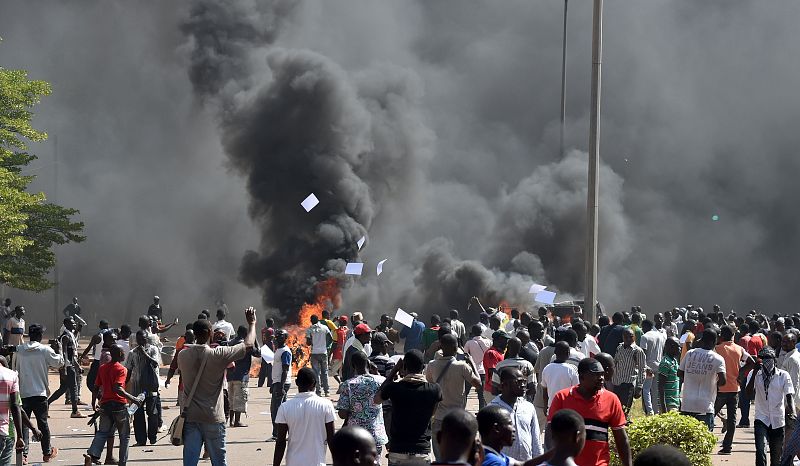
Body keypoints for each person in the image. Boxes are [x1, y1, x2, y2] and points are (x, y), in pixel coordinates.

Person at [177, 307, 256, 466]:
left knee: (189, 463)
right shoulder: (218, 354)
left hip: (191, 417)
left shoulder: (182, 355)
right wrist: (252, 323)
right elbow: (248, 345)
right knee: (219, 462)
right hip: (213, 418)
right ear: (209, 334)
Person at [548, 358, 631, 466]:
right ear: (581, 376)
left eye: (602, 374)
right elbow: (550, 434)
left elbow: (621, 439)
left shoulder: (611, 399)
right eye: (596, 375)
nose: (601, 378)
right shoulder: (562, 398)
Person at [374, 349, 442, 466]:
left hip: (398, 450)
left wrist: (394, 371)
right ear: (423, 367)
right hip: (422, 451)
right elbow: (432, 414)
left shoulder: (394, 388)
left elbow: (376, 399)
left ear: (404, 367)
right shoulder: (434, 389)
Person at [83, 345, 143, 466]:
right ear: (120, 354)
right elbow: (117, 388)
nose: (124, 354)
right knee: (124, 436)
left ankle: (92, 454)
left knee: (102, 432)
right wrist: (134, 399)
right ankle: (122, 462)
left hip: (105, 405)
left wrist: (94, 402)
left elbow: (96, 387)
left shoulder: (103, 368)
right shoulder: (121, 369)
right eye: (122, 352)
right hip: (119, 405)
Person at [425, 334, 481, 460]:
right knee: (458, 457)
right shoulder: (462, 366)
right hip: (458, 419)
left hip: (438, 418)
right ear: (456, 349)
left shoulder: (431, 365)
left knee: (440, 458)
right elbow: (478, 384)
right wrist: (471, 362)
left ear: (441, 347)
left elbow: (430, 386)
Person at [15, 323, 62, 463]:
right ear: (40, 336)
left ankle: (23, 456)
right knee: (43, 424)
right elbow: (59, 363)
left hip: (23, 392)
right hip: (40, 393)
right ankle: (47, 453)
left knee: (24, 425)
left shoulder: (19, 350)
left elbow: (14, 368)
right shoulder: (44, 350)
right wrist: (59, 349)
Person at [274, 367, 336, 466]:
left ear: (296, 382)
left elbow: (281, 441)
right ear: (315, 383)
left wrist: (275, 464)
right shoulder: (326, 405)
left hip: (293, 462)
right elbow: (331, 438)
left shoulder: (285, 407)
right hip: (317, 462)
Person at [747, 347, 795, 466]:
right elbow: (748, 394)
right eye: (762, 358)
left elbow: (789, 395)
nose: (765, 361)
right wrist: (754, 373)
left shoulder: (783, 375)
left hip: (778, 420)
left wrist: (792, 411)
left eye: (768, 358)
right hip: (761, 418)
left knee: (776, 457)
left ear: (774, 359)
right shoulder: (754, 374)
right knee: (761, 451)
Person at [337, 352, 387, 457]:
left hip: (355, 435)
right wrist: (376, 372)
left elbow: (342, 414)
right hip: (375, 434)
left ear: (352, 366)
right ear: (368, 364)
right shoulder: (380, 381)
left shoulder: (348, 384)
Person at [715, 324, 754, 454]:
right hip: (734, 389)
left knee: (710, 416)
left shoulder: (717, 349)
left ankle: (705, 442)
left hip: (719, 389)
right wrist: (741, 372)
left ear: (721, 336)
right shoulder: (739, 349)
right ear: (733, 336)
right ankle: (727, 447)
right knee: (732, 420)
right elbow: (752, 361)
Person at [489, 368, 543, 462]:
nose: (523, 385)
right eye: (518, 382)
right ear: (504, 385)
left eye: (524, 381)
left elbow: (536, 439)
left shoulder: (528, 407)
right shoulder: (492, 410)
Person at [678, 328, 726, 430]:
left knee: (686, 438)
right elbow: (723, 381)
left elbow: (679, 373)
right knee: (705, 439)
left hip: (687, 404)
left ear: (702, 340)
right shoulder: (718, 359)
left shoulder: (690, 353)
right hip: (705, 405)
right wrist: (711, 381)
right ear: (714, 341)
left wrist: (692, 376)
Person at [476, 405, 548, 466]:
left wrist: (555, 451)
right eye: (510, 424)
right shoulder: (495, 462)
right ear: (497, 429)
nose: (514, 429)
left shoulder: (489, 454)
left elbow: (522, 464)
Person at [125, 330, 162, 446]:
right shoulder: (132, 353)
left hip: (151, 386)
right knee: (138, 414)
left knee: (152, 413)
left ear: (147, 339)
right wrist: (124, 384)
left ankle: (152, 437)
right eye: (139, 340)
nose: (141, 342)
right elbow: (128, 369)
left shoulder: (153, 349)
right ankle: (141, 440)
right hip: (137, 387)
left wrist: (144, 354)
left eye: (143, 339)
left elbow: (155, 363)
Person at [48, 317, 86, 417]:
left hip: (71, 365)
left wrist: (77, 366)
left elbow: (73, 353)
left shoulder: (71, 335)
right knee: (73, 387)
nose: (74, 324)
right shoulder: (65, 336)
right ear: (66, 324)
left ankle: (46, 404)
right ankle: (74, 411)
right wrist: (64, 368)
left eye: (74, 323)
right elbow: (64, 353)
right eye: (72, 323)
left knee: (63, 388)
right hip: (67, 366)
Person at [227, 325, 259, 427]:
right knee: (240, 399)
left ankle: (231, 421)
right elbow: (258, 353)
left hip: (230, 375)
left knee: (231, 399)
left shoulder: (231, 342)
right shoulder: (246, 345)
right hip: (241, 376)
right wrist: (255, 339)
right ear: (246, 335)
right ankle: (237, 421)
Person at [612, 328, 646, 417]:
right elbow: (615, 362)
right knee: (616, 407)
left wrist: (639, 386)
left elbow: (642, 369)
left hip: (628, 383)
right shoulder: (619, 348)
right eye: (626, 337)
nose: (628, 339)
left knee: (625, 409)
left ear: (634, 337)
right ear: (623, 337)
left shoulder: (637, 351)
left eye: (630, 337)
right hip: (617, 382)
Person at [541, 342, 579, 413]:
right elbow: (576, 391)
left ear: (555, 352)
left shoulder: (547, 368)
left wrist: (545, 406)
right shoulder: (571, 370)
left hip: (552, 408)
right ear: (568, 354)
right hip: (567, 410)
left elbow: (544, 391)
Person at [639, 319, 666, 416]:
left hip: (648, 367)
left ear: (645, 327)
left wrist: (644, 366)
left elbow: (643, 353)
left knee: (646, 390)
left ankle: (649, 411)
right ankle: (656, 410)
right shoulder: (660, 336)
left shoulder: (644, 337)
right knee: (655, 390)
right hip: (658, 365)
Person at [269, 329, 292, 441]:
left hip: (282, 383)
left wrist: (280, 386)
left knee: (275, 410)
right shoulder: (279, 350)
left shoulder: (285, 352)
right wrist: (273, 384)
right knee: (282, 410)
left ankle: (277, 434)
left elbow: (285, 370)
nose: (276, 339)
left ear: (283, 338)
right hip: (277, 383)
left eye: (278, 337)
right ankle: (284, 433)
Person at [166, 329, 195, 407]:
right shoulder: (199, 350)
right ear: (195, 338)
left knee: (183, 412)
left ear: (185, 338)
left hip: (183, 384)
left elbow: (172, 367)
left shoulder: (180, 351)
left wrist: (168, 379)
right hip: (197, 386)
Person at [465, 325, 491, 409]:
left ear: (472, 333)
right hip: (483, 371)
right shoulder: (488, 342)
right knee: (481, 396)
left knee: (465, 393)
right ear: (481, 332)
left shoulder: (469, 343)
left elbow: (465, 355)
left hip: (471, 370)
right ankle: (481, 412)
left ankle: (462, 410)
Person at [306, 314, 332, 396]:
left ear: (311, 320)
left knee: (316, 373)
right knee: (325, 372)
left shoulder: (310, 329)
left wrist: (311, 341)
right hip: (323, 352)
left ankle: (318, 392)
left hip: (314, 354)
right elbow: (330, 338)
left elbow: (308, 343)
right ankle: (327, 391)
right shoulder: (324, 327)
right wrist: (326, 346)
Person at [483, 331, 509, 403]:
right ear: (497, 341)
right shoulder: (491, 353)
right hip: (492, 390)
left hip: (498, 389)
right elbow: (493, 371)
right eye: (505, 341)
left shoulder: (500, 353)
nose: (506, 343)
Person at [658, 337, 682, 413]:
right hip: (668, 404)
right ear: (671, 347)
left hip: (674, 402)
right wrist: (663, 406)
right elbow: (661, 386)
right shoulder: (665, 363)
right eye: (678, 346)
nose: (680, 349)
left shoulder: (674, 361)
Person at [331, 316, 349, 383]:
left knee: (332, 371)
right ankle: (343, 385)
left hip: (338, 354)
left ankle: (340, 384)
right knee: (342, 372)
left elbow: (334, 344)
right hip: (346, 354)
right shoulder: (349, 331)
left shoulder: (337, 331)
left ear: (340, 322)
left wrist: (330, 354)